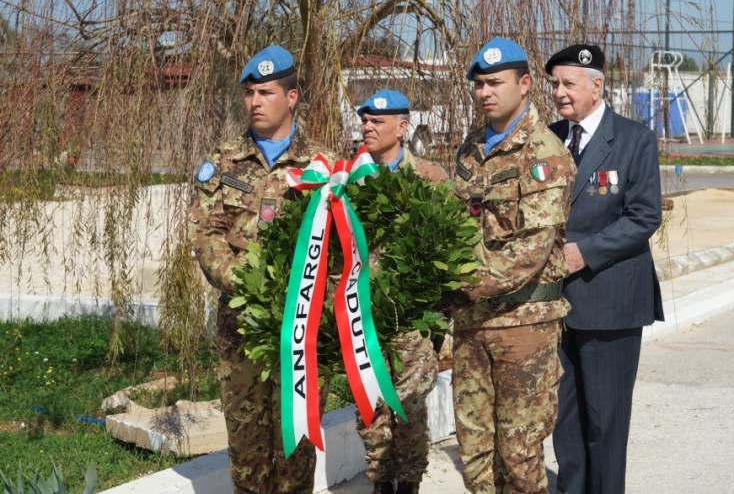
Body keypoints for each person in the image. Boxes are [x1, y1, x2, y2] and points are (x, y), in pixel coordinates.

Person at [189, 45, 337, 494]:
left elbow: (341, 246)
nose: (254, 101)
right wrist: (248, 284)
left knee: (296, 453)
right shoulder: (223, 162)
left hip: (303, 329)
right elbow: (206, 233)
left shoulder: (324, 166)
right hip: (241, 329)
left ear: (291, 97)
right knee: (247, 454)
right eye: (249, 92)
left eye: (266, 92)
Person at [447, 37, 576, 494]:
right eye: (479, 84)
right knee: (476, 456)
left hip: (523, 326)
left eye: (495, 83)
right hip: (472, 324)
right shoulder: (470, 149)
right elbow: (455, 226)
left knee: (519, 458)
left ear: (524, 85)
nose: (485, 92)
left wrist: (461, 283)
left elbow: (530, 252)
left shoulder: (543, 153)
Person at [546, 44, 664, 494]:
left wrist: (585, 252)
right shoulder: (548, 139)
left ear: (596, 86)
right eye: (554, 84)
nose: (559, 92)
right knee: (565, 419)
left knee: (605, 421)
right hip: (555, 303)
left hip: (610, 300)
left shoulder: (634, 139)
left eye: (568, 84)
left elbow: (644, 216)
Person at [353, 89, 448, 494]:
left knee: (409, 404)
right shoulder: (349, 179)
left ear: (402, 127)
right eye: (364, 120)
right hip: (362, 317)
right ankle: (379, 481)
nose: (367, 127)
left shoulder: (430, 177)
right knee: (369, 407)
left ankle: (409, 482)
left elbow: (448, 246)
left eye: (377, 121)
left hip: (411, 320)